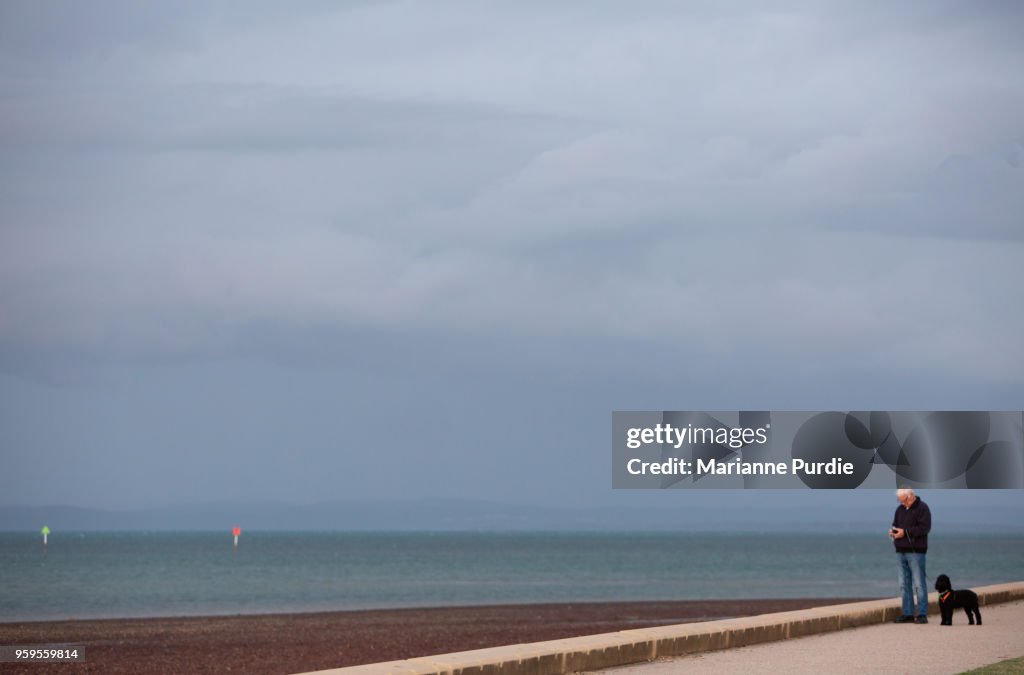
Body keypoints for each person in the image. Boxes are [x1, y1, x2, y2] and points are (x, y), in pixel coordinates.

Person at [890, 487, 931, 623]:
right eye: (900, 501)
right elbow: (895, 525)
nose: (903, 504)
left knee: (919, 584)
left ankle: (922, 614)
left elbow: (925, 528)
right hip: (900, 551)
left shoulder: (923, 508)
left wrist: (905, 532)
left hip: (916, 552)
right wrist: (893, 532)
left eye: (904, 501)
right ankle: (907, 614)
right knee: (903, 584)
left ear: (911, 496)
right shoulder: (899, 509)